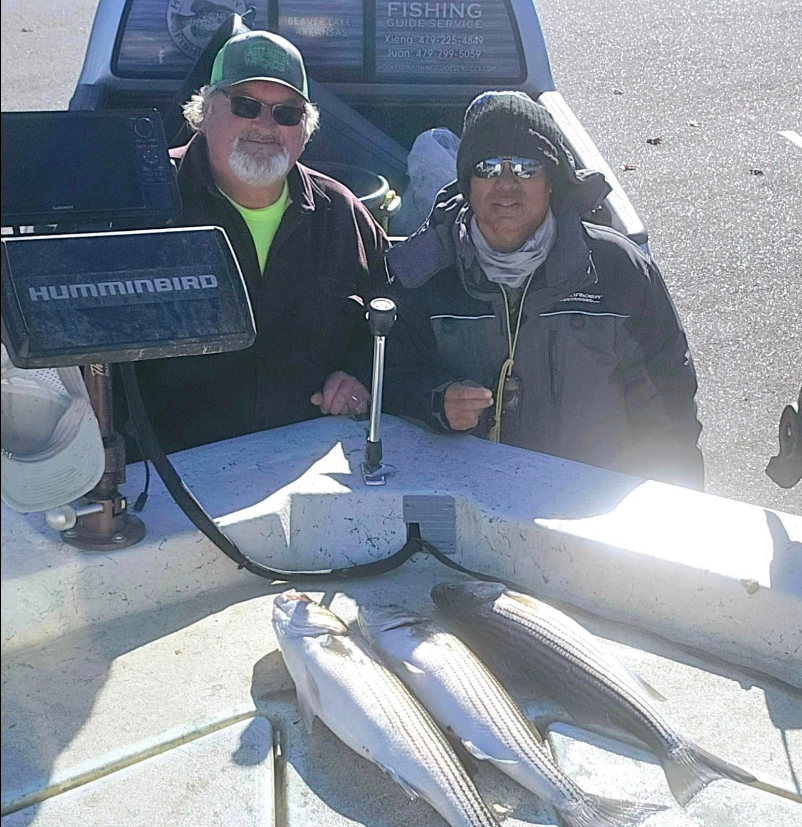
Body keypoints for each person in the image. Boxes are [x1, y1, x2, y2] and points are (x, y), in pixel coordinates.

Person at [384, 91, 704, 489]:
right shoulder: (425, 272)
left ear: (552, 180)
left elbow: (669, 396)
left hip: (590, 517)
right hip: (469, 510)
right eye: (487, 168)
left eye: (524, 167)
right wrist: (436, 400)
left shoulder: (617, 270)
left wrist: (677, 505)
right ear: (467, 181)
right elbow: (385, 377)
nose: (505, 184)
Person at [123, 31, 388, 455]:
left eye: (287, 113)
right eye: (245, 106)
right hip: (165, 483)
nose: (266, 125)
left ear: (305, 129)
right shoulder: (138, 202)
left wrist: (358, 375)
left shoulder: (342, 215)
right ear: (203, 112)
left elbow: (396, 322)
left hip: (301, 477)